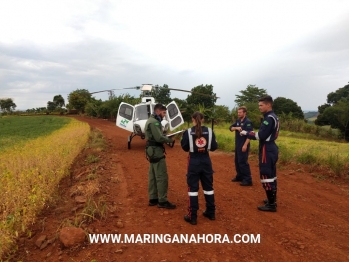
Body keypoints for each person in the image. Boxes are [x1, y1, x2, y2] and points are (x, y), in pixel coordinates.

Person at [240, 95, 279, 212]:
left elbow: (261, 135)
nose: (259, 107)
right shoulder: (274, 117)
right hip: (271, 147)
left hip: (267, 148)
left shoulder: (269, 119)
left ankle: (271, 204)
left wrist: (247, 133)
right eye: (259, 105)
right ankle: (272, 199)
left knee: (266, 174)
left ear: (268, 105)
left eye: (261, 105)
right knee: (272, 174)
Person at [181, 112, 218, 225]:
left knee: (192, 189)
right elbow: (214, 147)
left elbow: (184, 147)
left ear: (193, 119)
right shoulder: (210, 131)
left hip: (194, 161)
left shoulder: (188, 132)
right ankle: (211, 212)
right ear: (203, 119)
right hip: (206, 161)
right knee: (208, 188)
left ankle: (193, 216)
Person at [145, 103, 176, 209]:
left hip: (151, 150)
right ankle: (162, 201)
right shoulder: (155, 122)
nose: (164, 115)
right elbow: (159, 138)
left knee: (152, 175)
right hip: (156, 151)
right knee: (162, 176)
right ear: (157, 111)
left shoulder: (151, 120)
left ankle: (153, 198)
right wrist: (170, 139)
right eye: (163, 113)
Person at [229, 106, 253, 186]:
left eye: (240, 112)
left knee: (243, 162)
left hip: (243, 145)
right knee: (237, 161)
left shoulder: (248, 122)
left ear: (244, 113)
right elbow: (230, 128)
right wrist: (236, 127)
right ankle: (239, 176)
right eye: (238, 112)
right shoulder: (238, 121)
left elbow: (250, 135)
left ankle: (247, 179)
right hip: (237, 144)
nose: (238, 114)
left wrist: (245, 145)